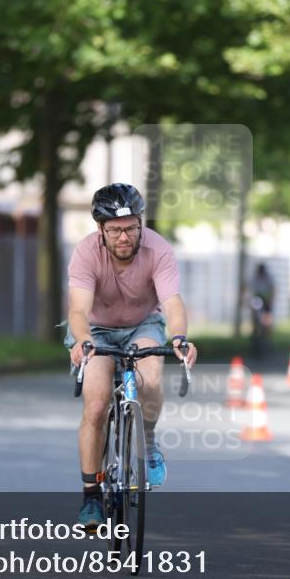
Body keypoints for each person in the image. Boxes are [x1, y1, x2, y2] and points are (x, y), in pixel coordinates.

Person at [65, 183, 197, 530]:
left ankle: (148, 443)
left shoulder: (159, 249)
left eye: (131, 228)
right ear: (101, 230)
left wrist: (180, 337)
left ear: (140, 224)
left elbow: (172, 303)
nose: (124, 237)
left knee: (150, 375)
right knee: (96, 402)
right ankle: (91, 496)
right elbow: (78, 310)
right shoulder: (85, 253)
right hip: (96, 329)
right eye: (115, 231)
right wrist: (81, 342)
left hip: (143, 324)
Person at [249, 263, 275, 356]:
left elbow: (273, 290)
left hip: (266, 302)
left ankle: (267, 340)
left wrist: (270, 301)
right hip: (257, 301)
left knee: (267, 321)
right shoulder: (254, 279)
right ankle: (254, 332)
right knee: (254, 317)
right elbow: (250, 290)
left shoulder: (269, 278)